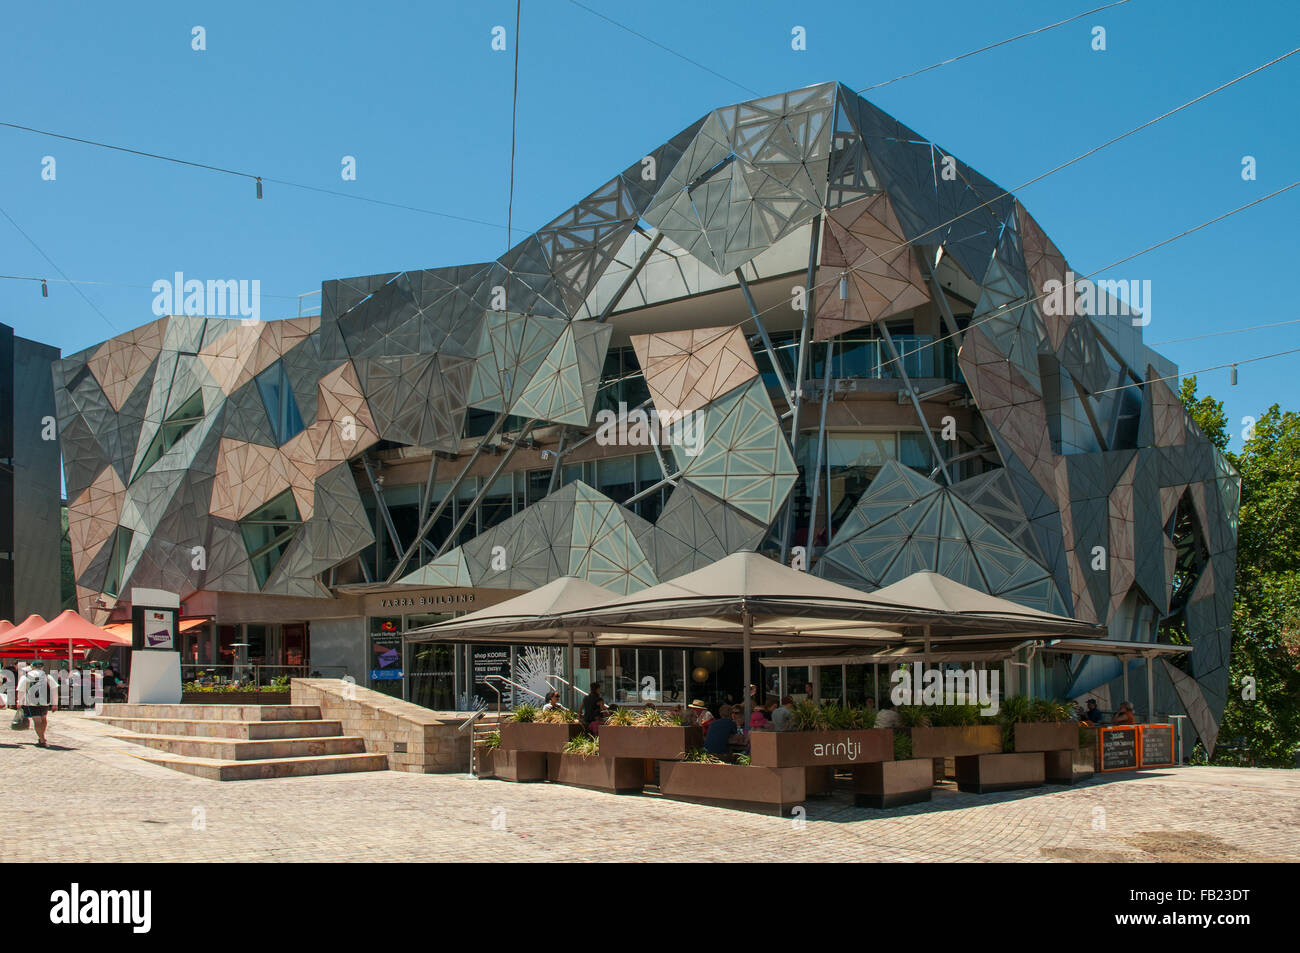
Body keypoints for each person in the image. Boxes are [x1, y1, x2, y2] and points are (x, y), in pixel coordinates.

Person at [16, 659, 57, 747]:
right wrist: (55, 703)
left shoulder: (26, 677)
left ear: (32, 667)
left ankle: (42, 739)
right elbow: (54, 690)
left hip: (32, 702)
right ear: (42, 667)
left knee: (37, 721)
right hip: (45, 702)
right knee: (44, 719)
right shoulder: (47, 676)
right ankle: (42, 737)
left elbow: (21, 691)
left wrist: (19, 701)